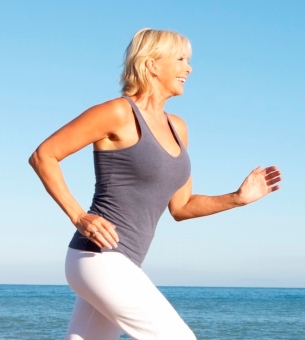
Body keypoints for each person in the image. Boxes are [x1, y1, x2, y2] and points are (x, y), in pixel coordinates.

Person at [30, 28, 283, 339]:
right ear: (151, 64)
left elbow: (181, 206)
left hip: (123, 262)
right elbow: (44, 155)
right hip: (98, 257)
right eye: (180, 59)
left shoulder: (178, 127)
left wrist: (237, 198)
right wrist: (79, 215)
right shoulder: (118, 112)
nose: (188, 68)